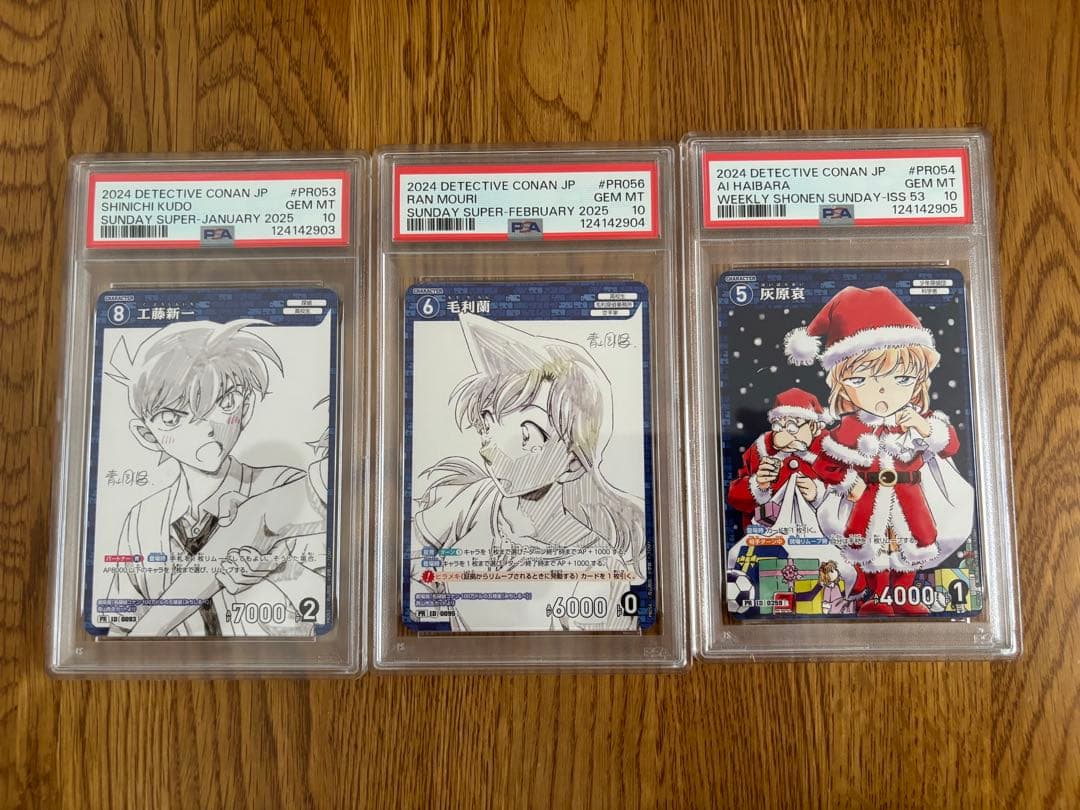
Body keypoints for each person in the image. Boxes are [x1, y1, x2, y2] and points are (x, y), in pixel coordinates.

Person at [411, 313, 645, 631]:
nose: (493, 449)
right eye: (488, 424)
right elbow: (414, 561)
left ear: (573, 464)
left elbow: (607, 651)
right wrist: (432, 594)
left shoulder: (600, 571)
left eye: (528, 435)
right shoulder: (478, 498)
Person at [103, 319, 324, 636]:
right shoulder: (142, 521)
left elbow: (329, 595)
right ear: (147, 434)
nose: (205, 427)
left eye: (225, 403)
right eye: (172, 417)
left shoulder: (284, 485)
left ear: (246, 407)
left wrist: (278, 569)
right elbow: (120, 627)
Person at [784, 285, 973, 616]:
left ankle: (904, 594)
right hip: (867, 499)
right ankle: (877, 596)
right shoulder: (849, 428)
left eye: (903, 378)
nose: (883, 390)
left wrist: (925, 428)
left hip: (911, 498)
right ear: (842, 382)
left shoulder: (920, 420)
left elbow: (950, 445)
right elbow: (825, 462)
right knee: (870, 549)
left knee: (911, 545)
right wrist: (847, 482)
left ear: (920, 379)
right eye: (863, 379)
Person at [727, 387, 830, 533]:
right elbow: (734, 497)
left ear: (813, 426)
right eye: (778, 426)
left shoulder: (832, 450)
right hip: (770, 538)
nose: (782, 436)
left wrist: (818, 494)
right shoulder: (760, 449)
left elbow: (853, 498)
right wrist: (758, 485)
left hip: (820, 538)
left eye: (792, 427)